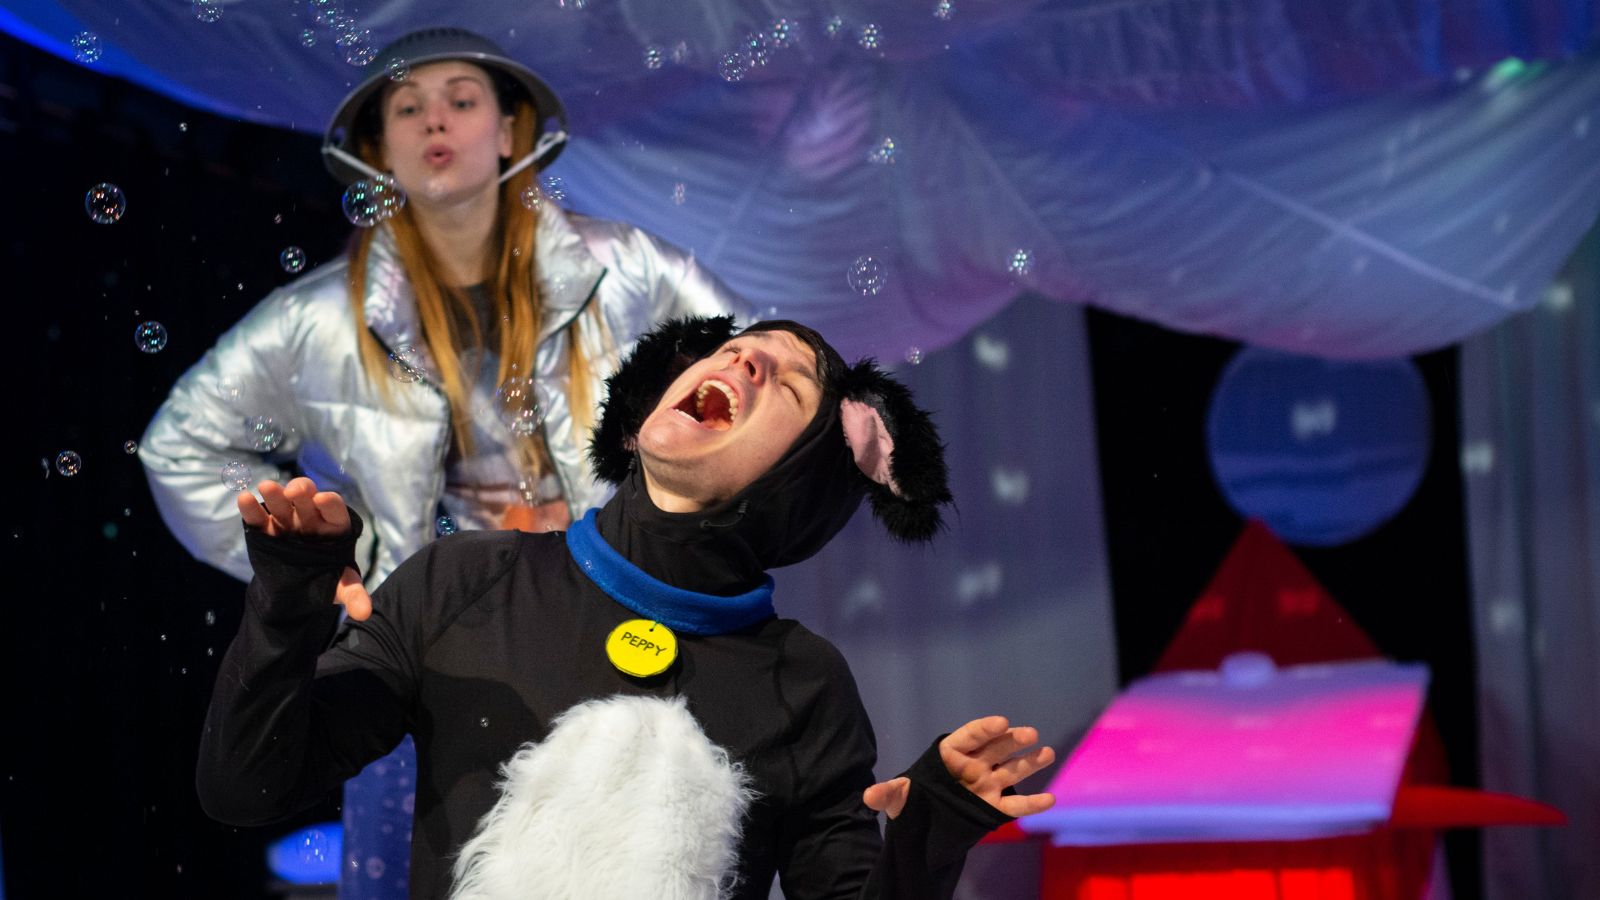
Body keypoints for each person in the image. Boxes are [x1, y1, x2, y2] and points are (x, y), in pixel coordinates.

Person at [138, 27, 749, 892]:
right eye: (408, 107)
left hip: (617, 629)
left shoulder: (629, 269)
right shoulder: (316, 318)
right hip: (429, 649)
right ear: (377, 149)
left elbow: (750, 388)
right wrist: (342, 566)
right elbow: (180, 445)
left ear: (509, 131)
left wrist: (647, 529)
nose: (436, 121)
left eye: (463, 100)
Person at [197, 315, 1056, 899]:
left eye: (790, 386)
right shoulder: (464, 581)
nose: (741, 359)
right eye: (736, 347)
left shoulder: (805, 686)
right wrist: (287, 603)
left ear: (806, 485)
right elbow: (245, 787)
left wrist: (931, 828)